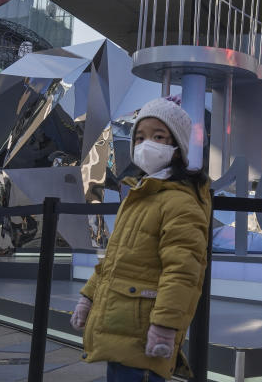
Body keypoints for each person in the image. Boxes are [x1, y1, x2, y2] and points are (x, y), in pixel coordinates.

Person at [69, 96, 212, 382]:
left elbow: (182, 272)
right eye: (141, 136)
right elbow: (113, 260)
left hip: (146, 336)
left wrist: (164, 326)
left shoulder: (180, 202)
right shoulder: (139, 193)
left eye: (159, 136)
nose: (147, 144)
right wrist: (88, 297)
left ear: (177, 146)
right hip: (120, 329)